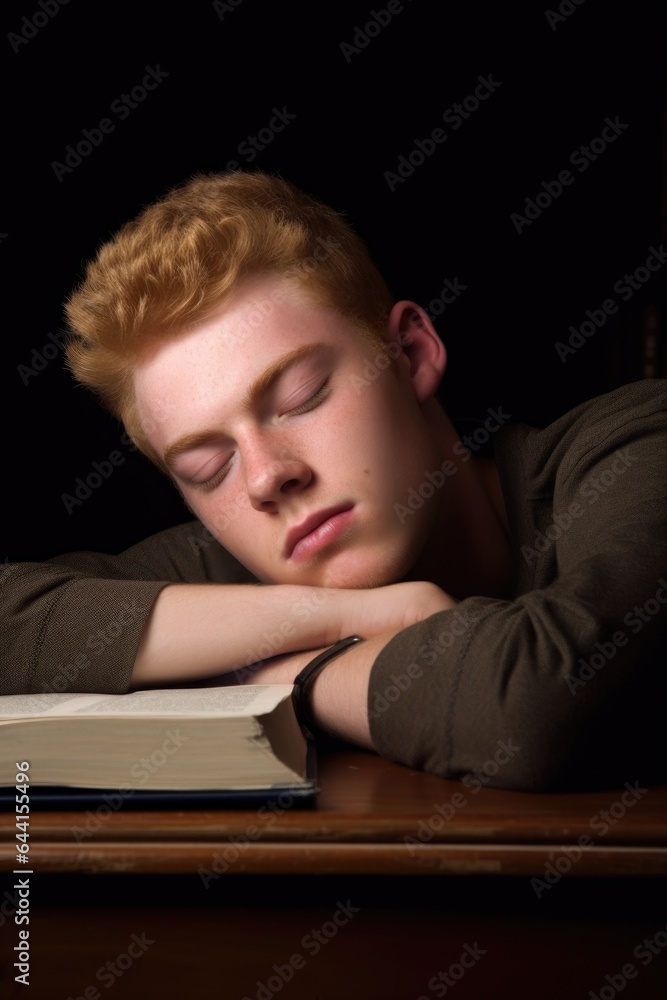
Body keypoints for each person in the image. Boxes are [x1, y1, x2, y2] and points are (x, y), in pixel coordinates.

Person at [4, 171, 666, 791]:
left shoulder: (636, 444)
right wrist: (348, 615)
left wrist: (284, 679)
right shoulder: (234, 573)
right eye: (207, 466)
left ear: (409, 354)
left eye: (300, 396)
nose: (266, 477)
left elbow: (534, 705)